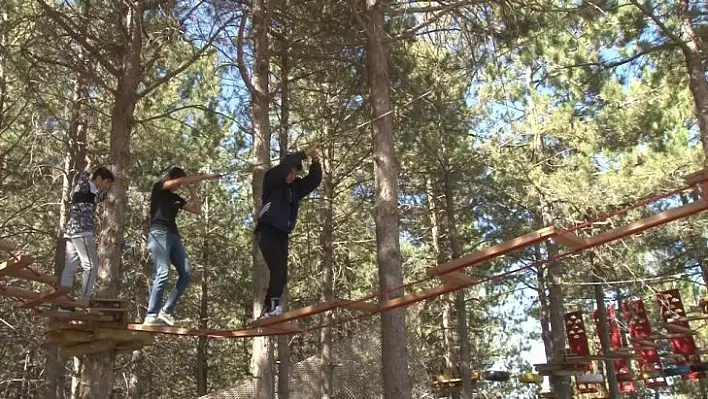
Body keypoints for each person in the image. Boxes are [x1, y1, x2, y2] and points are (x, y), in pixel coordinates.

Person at [143, 167, 220, 326]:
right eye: (177, 183)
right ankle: (151, 315)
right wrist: (204, 177)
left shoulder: (176, 198)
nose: (178, 187)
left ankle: (166, 311)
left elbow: (197, 210)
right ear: (170, 178)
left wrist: (192, 189)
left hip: (173, 235)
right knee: (163, 271)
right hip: (159, 233)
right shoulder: (159, 188)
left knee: (186, 272)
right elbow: (180, 181)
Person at [257, 144, 322, 318]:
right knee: (278, 267)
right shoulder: (272, 179)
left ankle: (268, 308)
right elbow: (287, 163)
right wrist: (305, 152)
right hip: (267, 229)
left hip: (282, 233)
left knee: (281, 272)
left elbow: (314, 180)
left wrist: (315, 160)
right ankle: (273, 306)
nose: (292, 176)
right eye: (290, 172)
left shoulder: (295, 188)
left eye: (295, 173)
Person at [60, 155, 115, 307]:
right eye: (107, 182)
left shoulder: (92, 192)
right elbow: (83, 178)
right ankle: (84, 299)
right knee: (91, 266)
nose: (108, 185)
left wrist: (117, 176)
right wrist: (89, 165)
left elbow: (102, 196)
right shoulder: (86, 185)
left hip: (72, 232)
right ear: (98, 178)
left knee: (70, 266)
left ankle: (63, 301)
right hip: (82, 230)